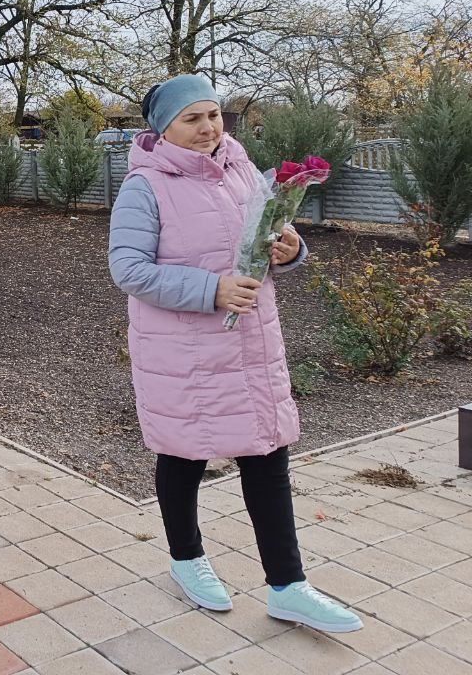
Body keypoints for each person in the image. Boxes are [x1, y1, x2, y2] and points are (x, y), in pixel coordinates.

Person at [108, 73, 363, 634]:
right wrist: (210, 290)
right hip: (184, 352)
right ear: (164, 128)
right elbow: (127, 269)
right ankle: (186, 559)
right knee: (184, 455)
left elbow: (268, 239)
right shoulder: (144, 186)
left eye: (213, 114)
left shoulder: (244, 170)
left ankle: (288, 586)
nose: (207, 128)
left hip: (251, 343)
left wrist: (292, 248)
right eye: (191, 118)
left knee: (267, 455)